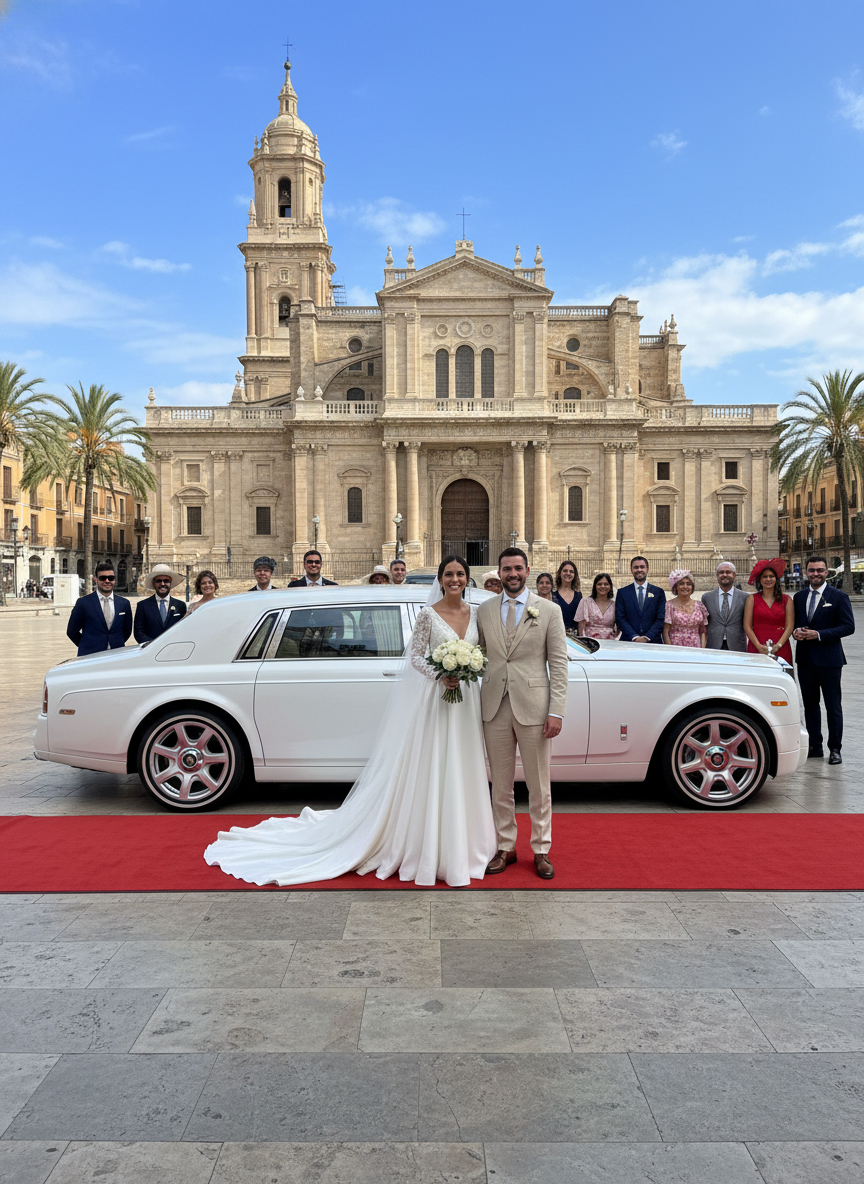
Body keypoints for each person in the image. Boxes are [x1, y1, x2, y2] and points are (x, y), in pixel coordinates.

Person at [204, 555, 496, 886]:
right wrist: (441, 673)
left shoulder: (476, 613)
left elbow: (484, 653)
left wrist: (468, 667)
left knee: (463, 764)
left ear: (467, 578)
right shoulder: (428, 614)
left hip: (465, 701)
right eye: (449, 574)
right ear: (440, 579)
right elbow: (415, 656)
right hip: (436, 700)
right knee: (434, 765)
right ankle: (429, 843)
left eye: (460, 574)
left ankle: (466, 842)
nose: (455, 579)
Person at [476, 547, 569, 880]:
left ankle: (541, 848)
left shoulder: (549, 610)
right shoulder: (484, 610)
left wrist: (556, 711)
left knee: (539, 784)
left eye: (517, 568)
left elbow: (558, 663)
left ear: (527, 571)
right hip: (495, 706)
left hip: (534, 707)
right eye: (506, 569)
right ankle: (506, 847)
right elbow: (481, 654)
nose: (512, 574)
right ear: (499, 572)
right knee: (500, 785)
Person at [793, 555, 855, 764]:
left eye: (819, 570)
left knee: (833, 706)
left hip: (830, 660)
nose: (815, 574)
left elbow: (848, 627)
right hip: (805, 660)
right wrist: (796, 632)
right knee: (810, 705)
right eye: (812, 570)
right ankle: (815, 746)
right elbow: (796, 623)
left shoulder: (838, 597)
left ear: (826, 572)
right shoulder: (799, 597)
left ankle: (835, 748)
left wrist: (819, 634)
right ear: (806, 572)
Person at [66, 562, 133, 656]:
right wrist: (86, 645)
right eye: (102, 578)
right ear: (95, 579)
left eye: (111, 578)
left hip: (117, 655)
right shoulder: (83, 603)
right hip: (91, 656)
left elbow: (127, 630)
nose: (107, 581)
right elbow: (72, 631)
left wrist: (115, 642)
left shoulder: (124, 603)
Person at [743, 558, 794, 664]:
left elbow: (789, 626)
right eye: (764, 576)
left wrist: (778, 645)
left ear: (776, 579)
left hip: (781, 646)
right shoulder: (751, 599)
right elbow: (747, 626)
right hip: (757, 645)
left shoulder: (787, 600)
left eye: (771, 576)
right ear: (760, 580)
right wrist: (759, 646)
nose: (768, 579)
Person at [616, 556, 666, 643]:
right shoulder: (622, 593)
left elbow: (661, 618)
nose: (639, 570)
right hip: (628, 642)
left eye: (642, 567)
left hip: (653, 642)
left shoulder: (659, 592)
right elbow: (620, 618)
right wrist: (634, 637)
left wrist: (647, 637)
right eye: (636, 567)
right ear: (631, 570)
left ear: (647, 569)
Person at [133, 564, 187, 644]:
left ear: (170, 583)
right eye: (158, 581)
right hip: (151, 649)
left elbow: (184, 629)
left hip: (173, 648)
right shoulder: (143, 606)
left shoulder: (180, 605)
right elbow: (138, 632)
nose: (162, 584)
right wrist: (153, 645)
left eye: (166, 581)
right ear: (153, 583)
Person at [703, 561, 748, 651]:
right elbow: (704, 625)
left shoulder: (745, 597)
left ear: (734, 575)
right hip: (713, 645)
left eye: (728, 572)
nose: (724, 575)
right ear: (717, 575)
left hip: (737, 645)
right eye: (721, 572)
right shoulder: (707, 598)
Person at [663, 569, 708, 648]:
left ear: (692, 587)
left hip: (696, 648)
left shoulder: (700, 606)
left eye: (688, 584)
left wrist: (702, 650)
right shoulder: (669, 606)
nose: (685, 587)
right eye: (681, 583)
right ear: (676, 587)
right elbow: (665, 632)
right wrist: (670, 651)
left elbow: (703, 631)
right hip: (676, 648)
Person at [575, 572, 619, 640]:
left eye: (606, 584)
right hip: (590, 642)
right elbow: (581, 628)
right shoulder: (585, 602)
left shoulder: (615, 605)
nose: (602, 586)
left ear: (610, 586)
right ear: (595, 586)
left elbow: (619, 627)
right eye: (599, 584)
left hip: (610, 642)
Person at [551, 560, 582, 633]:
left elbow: (580, 620)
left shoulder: (579, 596)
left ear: (574, 575)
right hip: (557, 635)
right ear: (560, 573)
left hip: (574, 637)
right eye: (565, 571)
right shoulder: (552, 595)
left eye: (571, 571)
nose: (568, 573)